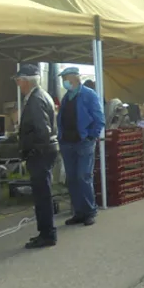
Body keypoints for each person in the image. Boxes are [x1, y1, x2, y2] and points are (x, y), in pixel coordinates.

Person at [15, 64, 59, 249]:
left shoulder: (35, 99)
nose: (18, 84)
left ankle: (47, 234)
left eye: (19, 81)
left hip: (41, 152)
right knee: (42, 193)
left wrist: (32, 149)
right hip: (45, 150)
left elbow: (42, 130)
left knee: (42, 195)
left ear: (25, 81)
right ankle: (45, 232)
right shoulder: (40, 95)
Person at [56, 66, 105, 226]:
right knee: (72, 178)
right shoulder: (66, 97)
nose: (64, 82)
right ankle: (79, 212)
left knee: (83, 176)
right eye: (63, 79)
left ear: (75, 78)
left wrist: (92, 135)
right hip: (67, 143)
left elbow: (99, 118)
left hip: (84, 142)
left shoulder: (89, 95)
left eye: (66, 78)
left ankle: (90, 211)